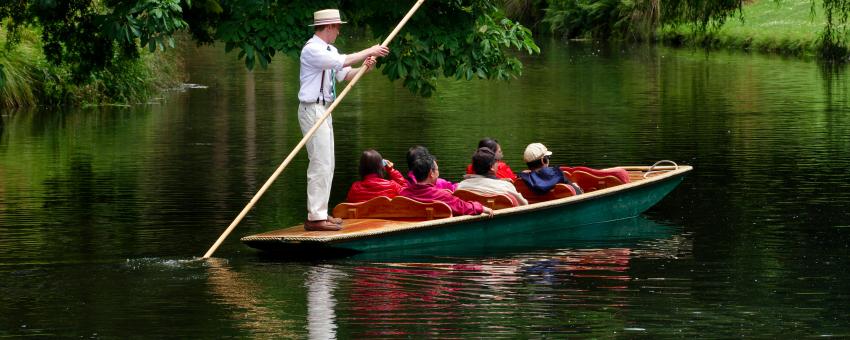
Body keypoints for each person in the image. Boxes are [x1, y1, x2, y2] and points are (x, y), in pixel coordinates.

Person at [298, 9, 390, 231]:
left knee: (328, 163)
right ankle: (315, 218)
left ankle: (320, 212)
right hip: (312, 109)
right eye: (337, 27)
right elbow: (342, 60)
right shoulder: (312, 50)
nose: (339, 31)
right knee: (319, 162)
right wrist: (370, 49)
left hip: (324, 110)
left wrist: (366, 67)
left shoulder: (330, 50)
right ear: (329, 27)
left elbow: (345, 73)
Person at [400, 153, 494, 217]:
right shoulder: (442, 195)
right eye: (437, 169)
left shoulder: (403, 194)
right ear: (431, 173)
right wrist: (481, 207)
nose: (438, 172)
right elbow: (463, 207)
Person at [457, 147, 528, 205]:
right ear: (492, 168)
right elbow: (524, 205)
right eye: (496, 161)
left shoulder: (461, 187)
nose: (498, 164)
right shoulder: (505, 186)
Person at [517, 143, 583, 195]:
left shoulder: (522, 178)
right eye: (548, 157)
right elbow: (579, 195)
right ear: (543, 160)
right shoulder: (557, 175)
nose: (549, 159)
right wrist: (576, 188)